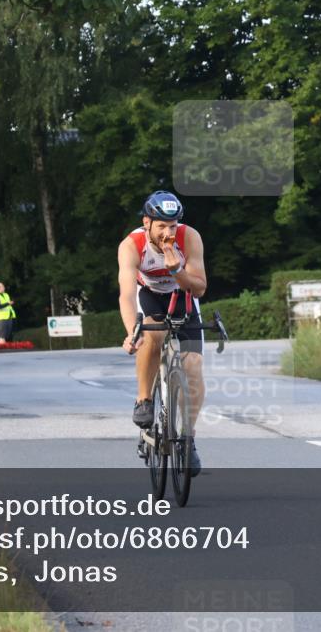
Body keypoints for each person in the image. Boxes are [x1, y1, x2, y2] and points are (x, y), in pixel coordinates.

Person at [118, 191, 206, 477]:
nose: (168, 232)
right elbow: (127, 295)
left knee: (193, 365)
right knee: (151, 338)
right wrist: (133, 331)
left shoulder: (189, 237)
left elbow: (200, 287)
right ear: (147, 222)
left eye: (173, 225)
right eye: (161, 226)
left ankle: (188, 437)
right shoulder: (132, 245)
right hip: (151, 297)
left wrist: (176, 269)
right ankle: (144, 399)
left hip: (184, 296)